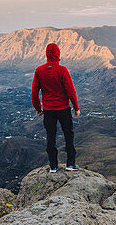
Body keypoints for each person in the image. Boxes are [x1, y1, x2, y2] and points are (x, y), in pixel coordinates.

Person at [31, 42, 80, 172]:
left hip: (48, 110)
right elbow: (71, 90)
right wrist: (76, 107)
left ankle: (53, 166)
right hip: (63, 109)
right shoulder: (62, 70)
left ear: (47, 54)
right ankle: (70, 164)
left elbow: (34, 92)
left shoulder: (39, 70)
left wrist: (38, 108)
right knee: (68, 135)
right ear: (58, 54)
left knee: (51, 136)